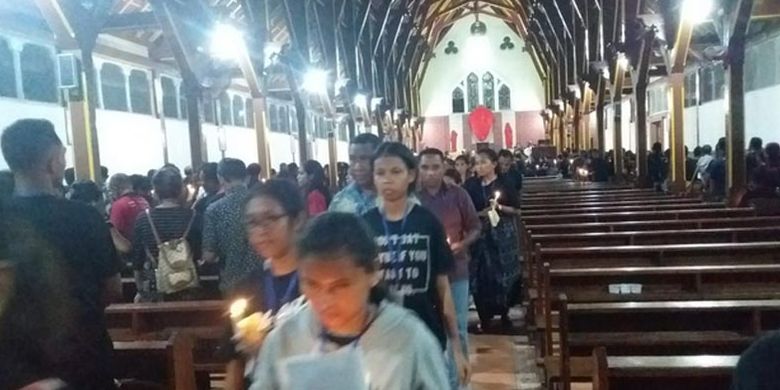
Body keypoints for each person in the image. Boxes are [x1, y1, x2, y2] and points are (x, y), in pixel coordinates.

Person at [250, 212, 449, 390]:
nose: (325, 301)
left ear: (372, 272)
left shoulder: (408, 339)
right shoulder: (286, 339)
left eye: (340, 286)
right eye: (312, 284)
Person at [1, 119, 121, 389]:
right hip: (84, 356)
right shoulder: (85, 217)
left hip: (17, 365)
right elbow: (112, 289)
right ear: (53, 163)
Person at [362, 142, 470, 386]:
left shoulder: (427, 221)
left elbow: (442, 287)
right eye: (380, 173)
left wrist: (456, 346)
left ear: (411, 175)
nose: (387, 180)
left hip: (425, 330)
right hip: (378, 335)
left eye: (395, 172)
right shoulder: (365, 225)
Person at [223, 179, 305, 388]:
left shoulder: (320, 281)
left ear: (297, 220)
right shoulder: (246, 287)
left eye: (270, 218)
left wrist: (268, 350)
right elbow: (234, 360)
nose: (261, 230)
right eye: (252, 222)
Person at [418, 148, 481, 389]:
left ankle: (457, 384)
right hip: (425, 275)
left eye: (435, 167)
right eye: (425, 167)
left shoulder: (458, 195)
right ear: (418, 169)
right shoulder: (414, 199)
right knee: (430, 331)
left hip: (456, 270)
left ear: (444, 167)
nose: (430, 173)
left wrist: (461, 243)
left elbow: (475, 227)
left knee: (458, 329)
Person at [463, 148, 521, 331]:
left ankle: (504, 313)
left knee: (502, 275)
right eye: (477, 163)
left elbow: (517, 210)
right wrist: (481, 213)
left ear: (494, 164)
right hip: (480, 234)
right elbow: (466, 210)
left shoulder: (505, 183)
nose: (479, 166)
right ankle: (484, 316)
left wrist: (500, 207)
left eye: (483, 162)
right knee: (481, 276)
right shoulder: (471, 185)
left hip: (502, 234)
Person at [131, 167, 201, 302]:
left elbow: (137, 258)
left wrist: (140, 288)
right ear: (181, 190)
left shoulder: (143, 218)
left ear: (155, 192)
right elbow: (199, 254)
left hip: (155, 287)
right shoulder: (194, 216)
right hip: (188, 286)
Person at [203, 158, 264, 293]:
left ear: (221, 178)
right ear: (246, 176)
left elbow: (209, 255)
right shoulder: (262, 203)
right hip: (264, 280)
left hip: (232, 283)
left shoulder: (214, 209)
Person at [329, 133, 381, 214]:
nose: (357, 166)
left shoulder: (395, 198)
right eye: (352, 159)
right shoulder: (340, 200)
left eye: (363, 158)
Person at [108, 173, 149, 242]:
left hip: (130, 247)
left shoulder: (119, 205)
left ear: (115, 188)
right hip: (145, 245)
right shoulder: (143, 201)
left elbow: (116, 234)